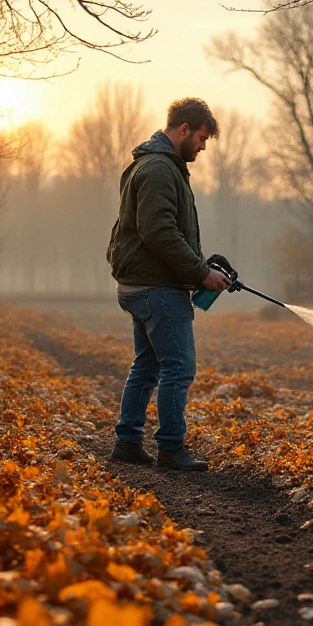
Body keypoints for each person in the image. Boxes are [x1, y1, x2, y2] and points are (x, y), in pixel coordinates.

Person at [105, 98, 229, 471]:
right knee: (179, 366)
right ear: (184, 130)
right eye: (202, 138)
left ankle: (127, 443)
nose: (203, 147)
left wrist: (202, 267)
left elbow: (165, 230)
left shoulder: (158, 165)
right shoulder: (160, 168)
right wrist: (199, 273)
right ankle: (171, 448)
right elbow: (157, 232)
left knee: (147, 366)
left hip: (142, 283)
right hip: (156, 287)